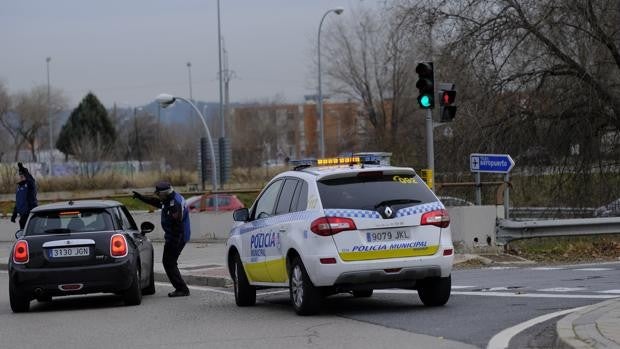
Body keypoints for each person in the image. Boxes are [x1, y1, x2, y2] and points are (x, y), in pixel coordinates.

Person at [133, 181, 191, 297]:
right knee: (169, 262)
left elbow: (177, 225)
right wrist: (141, 197)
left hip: (177, 237)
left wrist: (172, 241)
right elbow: (156, 202)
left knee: (169, 263)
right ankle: (181, 288)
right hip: (175, 236)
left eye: (159, 193)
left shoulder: (175, 204)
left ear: (164, 193)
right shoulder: (170, 199)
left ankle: (182, 289)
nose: (157, 195)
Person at [11, 163, 38, 229]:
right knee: (22, 227)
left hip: (30, 212)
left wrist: (23, 170)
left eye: (23, 175)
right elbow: (18, 201)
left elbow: (30, 179)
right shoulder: (19, 187)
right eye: (20, 175)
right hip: (22, 213)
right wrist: (14, 214)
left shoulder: (30, 184)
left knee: (26, 227)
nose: (21, 176)